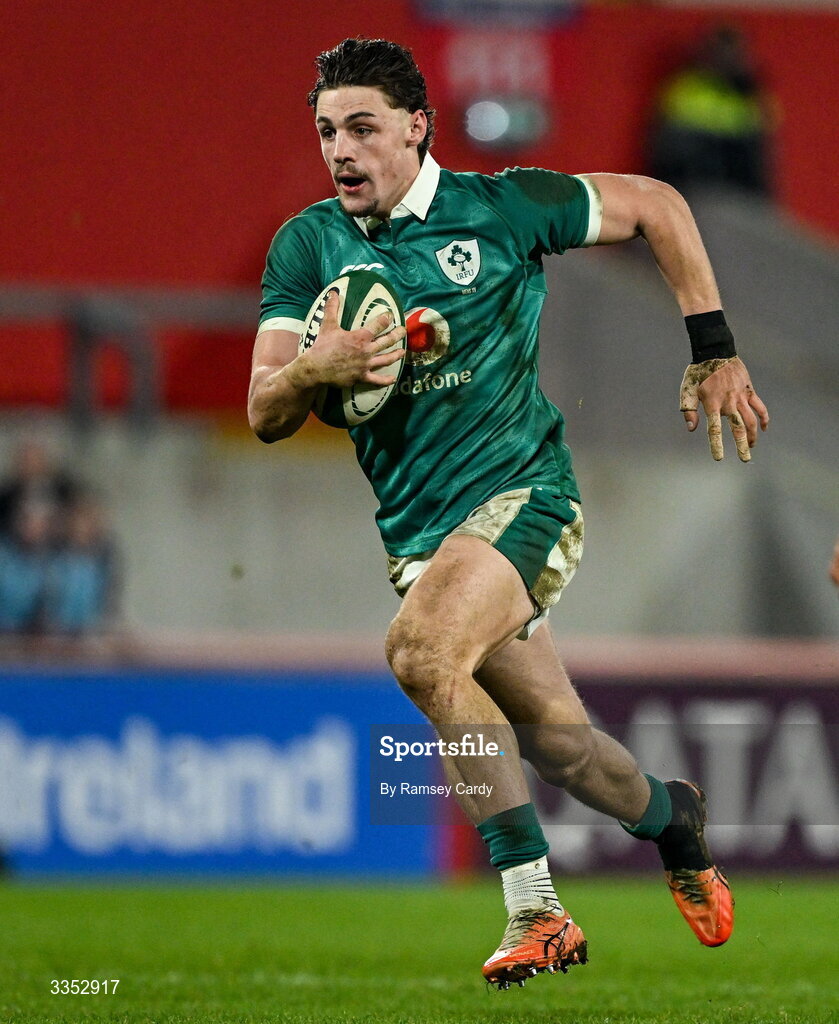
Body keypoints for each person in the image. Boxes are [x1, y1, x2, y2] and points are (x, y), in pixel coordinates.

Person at [248, 38, 769, 988]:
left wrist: (712, 347)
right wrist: (313, 370)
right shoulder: (305, 245)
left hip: (524, 494)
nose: (341, 151)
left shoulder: (502, 208)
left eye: (362, 128)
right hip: (423, 538)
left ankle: (537, 910)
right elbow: (263, 409)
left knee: (420, 653)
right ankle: (673, 819)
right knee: (566, 753)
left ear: (417, 127)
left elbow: (656, 203)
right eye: (327, 132)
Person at [648, 25, 773, 195]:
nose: (726, 58)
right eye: (720, 51)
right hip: (695, 185)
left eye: (732, 52)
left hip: (743, 189)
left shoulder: (751, 92)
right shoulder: (688, 86)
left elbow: (765, 127)